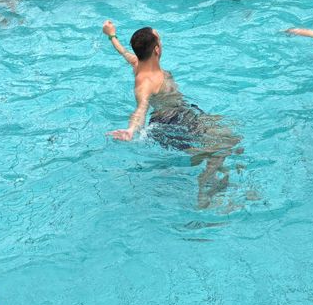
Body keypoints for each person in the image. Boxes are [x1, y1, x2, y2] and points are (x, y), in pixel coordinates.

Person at [102, 21, 240, 208]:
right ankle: (204, 185)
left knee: (232, 140)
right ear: (157, 49)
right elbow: (141, 107)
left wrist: (111, 35)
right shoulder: (146, 81)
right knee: (223, 147)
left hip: (184, 112)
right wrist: (131, 129)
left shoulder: (137, 63)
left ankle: (213, 178)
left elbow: (123, 51)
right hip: (171, 123)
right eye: (160, 40)